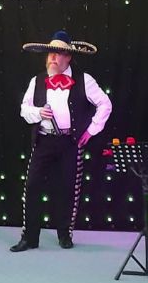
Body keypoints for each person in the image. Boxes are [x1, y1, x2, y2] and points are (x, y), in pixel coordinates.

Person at [13, 30, 112, 252]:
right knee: (32, 187)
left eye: (57, 54)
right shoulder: (37, 80)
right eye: (50, 54)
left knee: (67, 188)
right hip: (44, 141)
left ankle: (64, 234)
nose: (52, 58)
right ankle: (30, 237)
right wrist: (39, 113)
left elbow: (105, 104)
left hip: (70, 142)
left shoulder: (84, 79)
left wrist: (91, 130)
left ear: (68, 56)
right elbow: (24, 109)